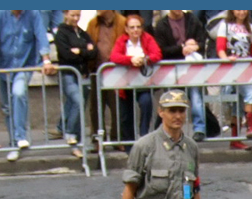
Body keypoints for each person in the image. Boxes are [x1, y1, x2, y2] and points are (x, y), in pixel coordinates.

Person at [0, 10, 56, 161]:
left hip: (24, 65)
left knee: (19, 93)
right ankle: (14, 142)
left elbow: (41, 37)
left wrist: (46, 60)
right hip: (4, 67)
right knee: (7, 107)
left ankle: (20, 137)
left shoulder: (33, 14)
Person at [153, 10, 209, 141]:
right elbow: (162, 49)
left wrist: (195, 46)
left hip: (192, 66)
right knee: (171, 100)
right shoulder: (162, 25)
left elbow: (202, 40)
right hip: (172, 69)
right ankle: (168, 130)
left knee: (196, 97)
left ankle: (199, 129)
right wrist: (181, 48)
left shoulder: (192, 20)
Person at [111, 14, 161, 142]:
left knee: (146, 103)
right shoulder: (122, 40)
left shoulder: (147, 38)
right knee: (126, 115)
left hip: (143, 83)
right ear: (126, 29)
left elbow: (157, 54)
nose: (135, 30)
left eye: (138, 27)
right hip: (125, 84)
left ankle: (144, 135)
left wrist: (144, 59)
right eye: (132, 27)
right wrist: (130, 60)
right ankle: (129, 144)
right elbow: (114, 56)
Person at [54, 10, 97, 159]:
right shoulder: (61, 33)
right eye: (73, 15)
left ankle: (75, 142)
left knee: (78, 106)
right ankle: (70, 134)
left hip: (83, 74)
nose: (75, 18)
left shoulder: (82, 33)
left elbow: (94, 52)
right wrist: (85, 51)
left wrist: (80, 51)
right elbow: (66, 55)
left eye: (78, 15)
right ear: (66, 14)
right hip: (69, 74)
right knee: (78, 102)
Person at [215, 10, 252, 150]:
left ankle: (246, 130)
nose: (242, 11)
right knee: (237, 103)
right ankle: (239, 135)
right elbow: (220, 47)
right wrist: (225, 60)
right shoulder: (225, 25)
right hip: (231, 69)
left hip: (246, 69)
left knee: (248, 95)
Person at [86, 11, 127, 151]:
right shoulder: (93, 23)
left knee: (117, 105)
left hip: (116, 71)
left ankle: (117, 138)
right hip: (97, 70)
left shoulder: (122, 22)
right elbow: (88, 43)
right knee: (96, 107)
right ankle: (97, 139)